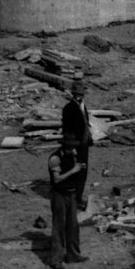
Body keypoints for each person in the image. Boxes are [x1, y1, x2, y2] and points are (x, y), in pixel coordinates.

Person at [46, 143, 87, 269]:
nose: (75, 152)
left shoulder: (72, 156)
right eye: (72, 149)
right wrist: (73, 170)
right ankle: (56, 260)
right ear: (66, 148)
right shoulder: (55, 159)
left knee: (73, 226)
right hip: (60, 195)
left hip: (71, 194)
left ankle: (73, 254)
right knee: (59, 227)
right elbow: (57, 179)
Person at [59, 77, 92, 210]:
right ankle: (73, 199)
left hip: (83, 144)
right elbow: (67, 130)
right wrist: (71, 147)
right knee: (74, 171)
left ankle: (78, 196)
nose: (80, 97)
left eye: (82, 95)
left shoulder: (83, 106)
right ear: (73, 94)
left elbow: (85, 124)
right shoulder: (69, 108)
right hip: (74, 145)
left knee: (83, 171)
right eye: (78, 94)